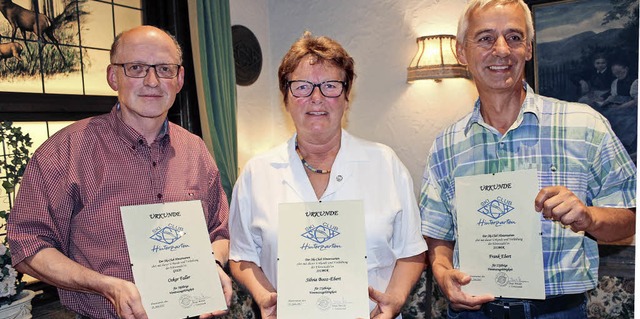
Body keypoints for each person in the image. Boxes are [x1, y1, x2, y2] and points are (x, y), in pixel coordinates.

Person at [419, 1, 636, 318]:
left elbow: (628, 218)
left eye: (514, 37)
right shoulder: (446, 144)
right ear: (462, 53)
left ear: (529, 49)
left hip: (558, 313)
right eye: (486, 38)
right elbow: (438, 235)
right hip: (472, 312)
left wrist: (588, 217)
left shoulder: (585, 125)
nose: (502, 50)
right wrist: (442, 273)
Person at [7, 25, 232, 319]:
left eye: (164, 68)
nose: (152, 81)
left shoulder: (196, 150)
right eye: (136, 68)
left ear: (179, 79)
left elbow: (219, 231)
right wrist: (106, 286)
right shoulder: (64, 152)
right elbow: (28, 245)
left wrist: (212, 266)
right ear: (113, 76)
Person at [228, 31, 427, 319]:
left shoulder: (385, 164)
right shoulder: (256, 173)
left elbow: (411, 250)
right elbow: (242, 256)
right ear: (286, 97)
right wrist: (264, 298)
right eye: (302, 87)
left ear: (347, 96)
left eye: (330, 86)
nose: (317, 98)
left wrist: (394, 300)